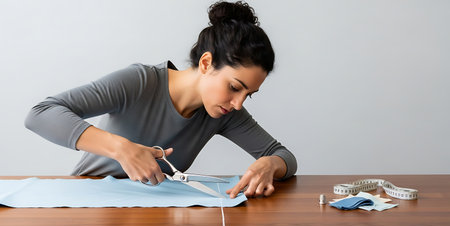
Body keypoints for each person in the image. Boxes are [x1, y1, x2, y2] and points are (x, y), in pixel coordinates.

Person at [25, 1, 297, 199]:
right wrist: (122, 149)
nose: (238, 103)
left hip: (151, 216)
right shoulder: (140, 82)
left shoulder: (225, 113)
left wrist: (270, 163)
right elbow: (41, 113)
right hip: (89, 207)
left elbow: (284, 156)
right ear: (206, 63)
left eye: (248, 94)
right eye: (235, 87)